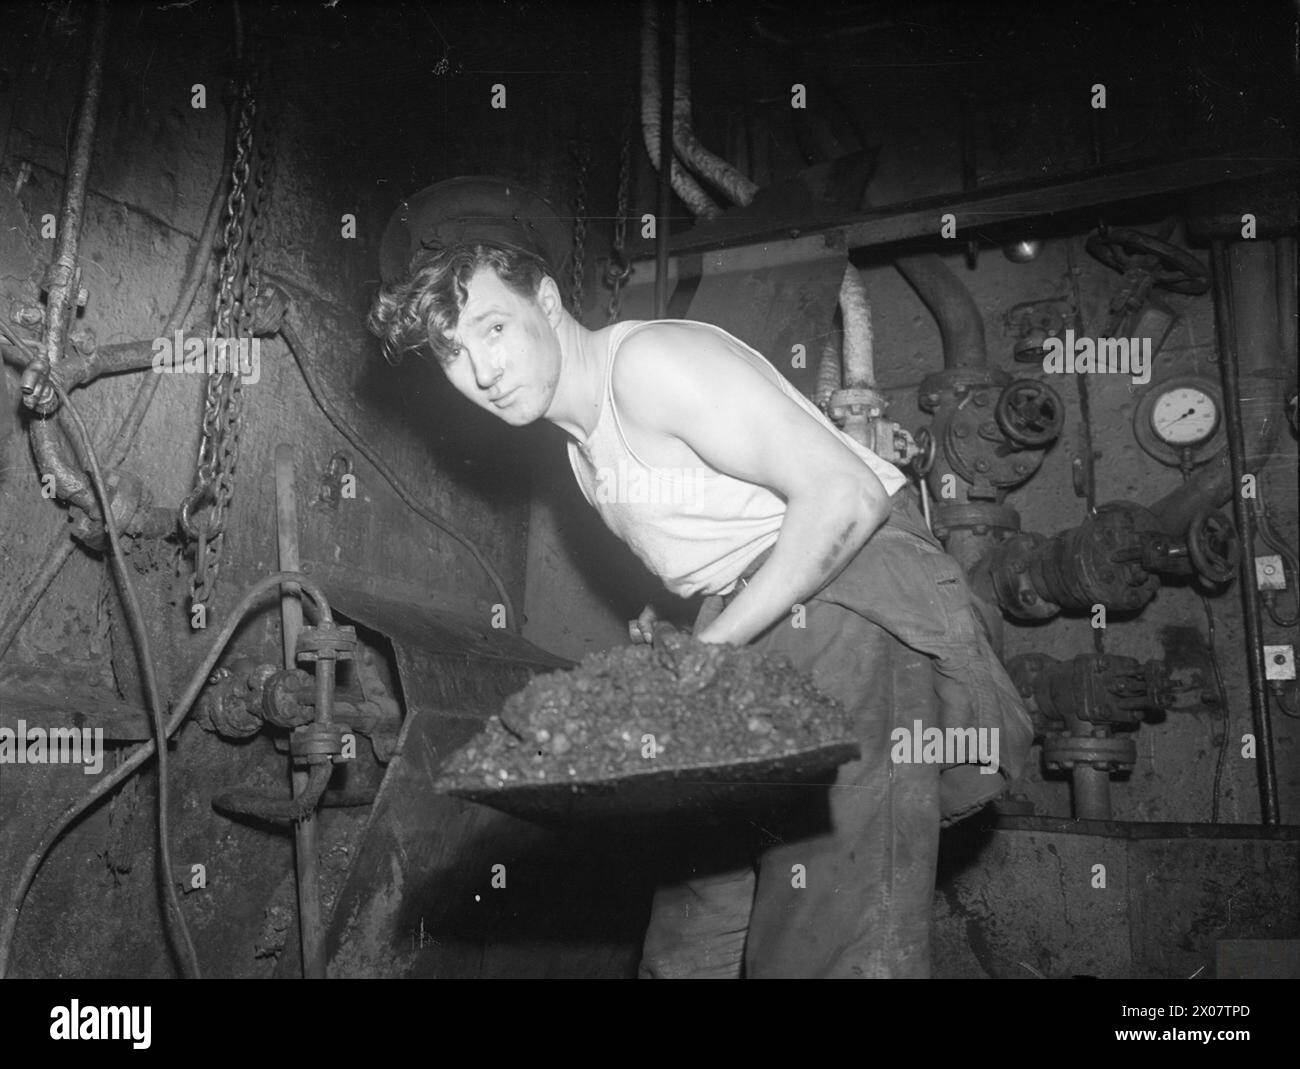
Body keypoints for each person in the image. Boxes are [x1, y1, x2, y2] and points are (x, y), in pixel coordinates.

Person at [368, 177, 1033, 978]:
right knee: (693, 934)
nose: (484, 369)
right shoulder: (583, 450)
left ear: (544, 298)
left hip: (849, 599)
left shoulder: (648, 366)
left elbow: (847, 494)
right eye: (453, 353)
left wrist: (698, 654)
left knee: (831, 934)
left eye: (494, 326)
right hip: (760, 628)